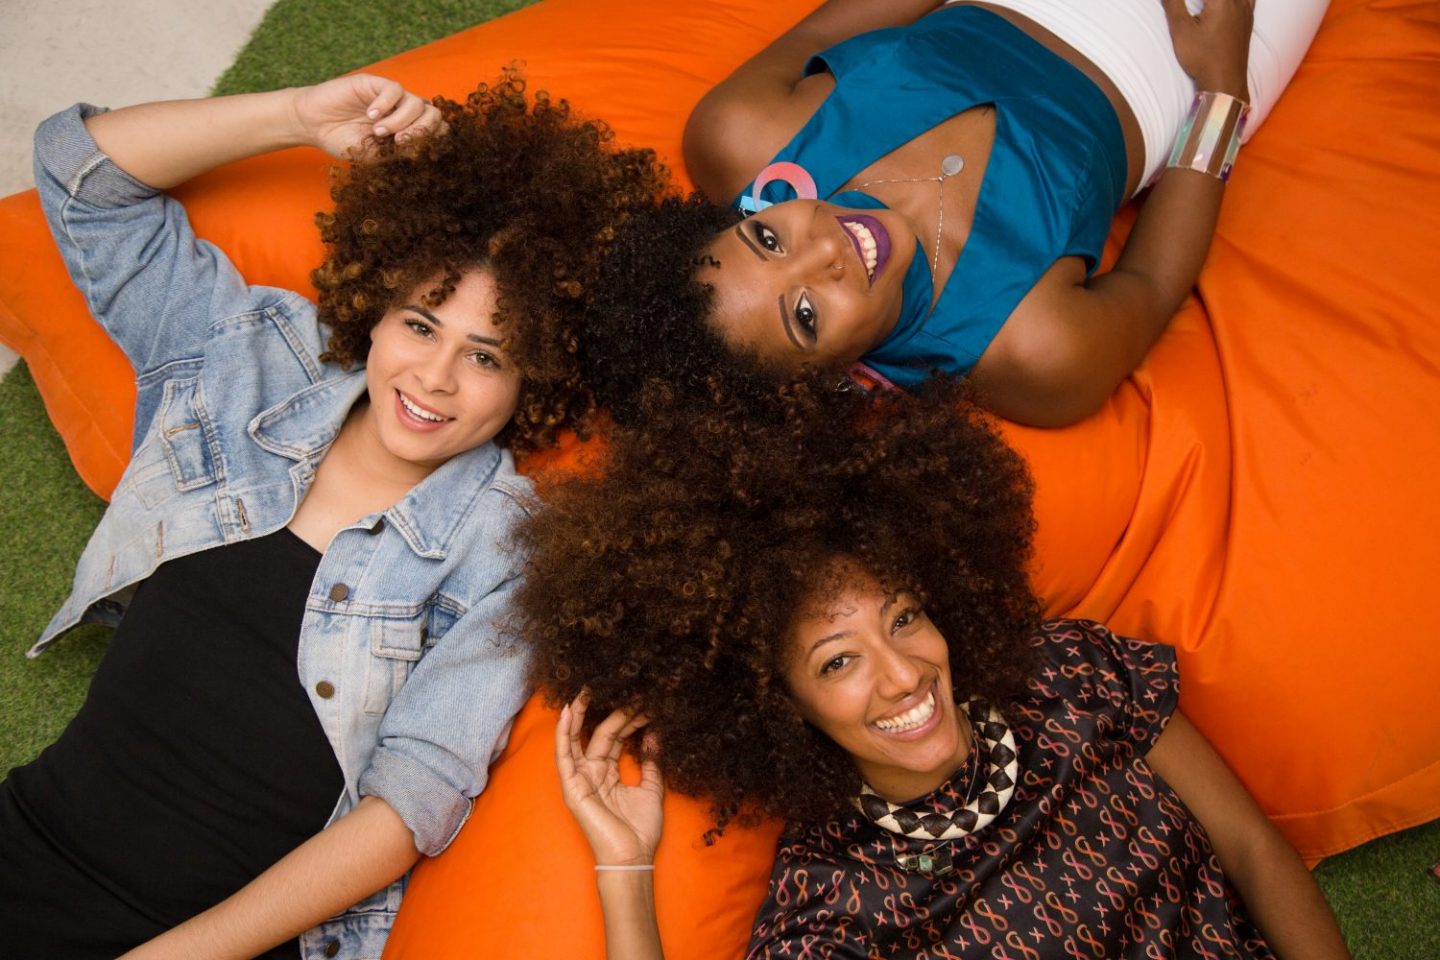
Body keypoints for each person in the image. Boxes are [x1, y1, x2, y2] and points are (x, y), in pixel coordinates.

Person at [0, 70, 664, 959]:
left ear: (536, 378)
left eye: (488, 356)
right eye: (422, 325)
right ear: (381, 302)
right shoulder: (252, 360)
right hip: (28, 844)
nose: (433, 379)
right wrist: (295, 115)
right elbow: (79, 170)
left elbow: (407, 807)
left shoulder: (512, 551)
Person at [518, 374, 1351, 958]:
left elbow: (1245, 845)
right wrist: (626, 872)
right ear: (777, 704)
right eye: (838, 660)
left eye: (905, 618)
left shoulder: (1066, 672)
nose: (904, 675)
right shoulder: (835, 904)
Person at [579, 0, 1329, 427]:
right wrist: (1226, 84)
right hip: (1186, 62)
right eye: (805, 315)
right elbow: (1156, 282)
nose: (823, 250)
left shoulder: (741, 133)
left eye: (767, 238)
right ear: (824, 386)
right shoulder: (1029, 352)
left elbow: (817, 32)